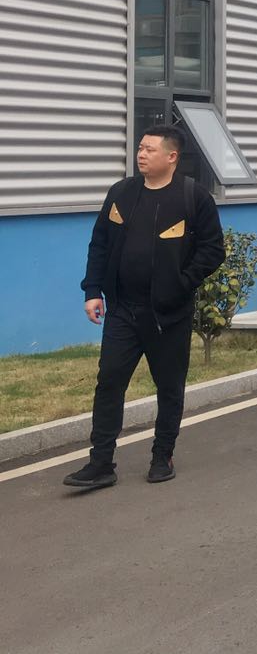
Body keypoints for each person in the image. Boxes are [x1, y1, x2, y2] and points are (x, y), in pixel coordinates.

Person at [64, 126, 225, 491]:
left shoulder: (193, 197)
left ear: (172, 156)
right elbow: (99, 243)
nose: (141, 154)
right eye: (140, 148)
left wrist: (181, 283)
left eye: (150, 149)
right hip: (123, 309)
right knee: (109, 383)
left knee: (169, 387)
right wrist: (93, 290)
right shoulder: (121, 192)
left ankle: (162, 455)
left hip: (168, 315)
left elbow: (213, 250)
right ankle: (101, 463)